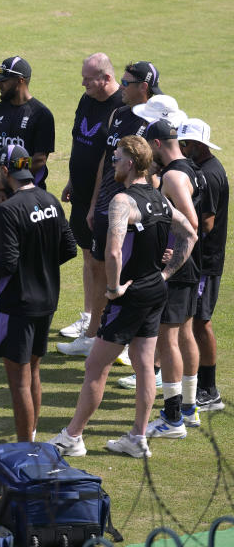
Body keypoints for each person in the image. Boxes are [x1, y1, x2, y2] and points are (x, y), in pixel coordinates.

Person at [49, 136, 196, 458]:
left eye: (116, 158)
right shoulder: (159, 200)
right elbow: (190, 232)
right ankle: (137, 437)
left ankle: (73, 436)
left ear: (130, 162)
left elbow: (113, 251)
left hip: (129, 295)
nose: (112, 163)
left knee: (95, 366)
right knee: (144, 365)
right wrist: (166, 274)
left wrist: (114, 288)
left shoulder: (122, 201)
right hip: (155, 291)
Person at [63, 62, 162, 359]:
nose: (122, 86)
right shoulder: (118, 114)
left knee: (127, 271)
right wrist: (94, 203)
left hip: (134, 210)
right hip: (105, 206)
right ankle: (94, 334)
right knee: (97, 263)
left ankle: (119, 338)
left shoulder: (155, 121)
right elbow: (106, 162)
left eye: (126, 81)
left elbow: (155, 171)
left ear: (143, 86)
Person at [0, 145, 77, 441]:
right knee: (33, 371)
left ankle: (25, 447)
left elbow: (7, 262)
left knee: (19, 380)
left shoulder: (8, 209)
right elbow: (69, 248)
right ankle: (31, 437)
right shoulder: (49, 200)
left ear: (5, 171)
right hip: (47, 300)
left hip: (18, 304)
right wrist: (40, 263)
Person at [0, 57, 55, 329]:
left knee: (22, 249)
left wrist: (5, 183)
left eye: (3, 80)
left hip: (26, 194)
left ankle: (20, 299)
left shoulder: (41, 115)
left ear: (20, 81)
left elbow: (39, 160)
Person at [145, 117, 205, 437]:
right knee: (184, 335)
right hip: (192, 266)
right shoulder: (191, 168)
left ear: (157, 145)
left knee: (168, 340)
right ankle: (189, 409)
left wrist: (169, 265)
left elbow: (190, 224)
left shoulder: (173, 176)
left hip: (179, 269)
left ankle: (172, 419)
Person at [58, 54, 123, 340]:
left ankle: (102, 324)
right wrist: (72, 179)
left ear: (106, 79)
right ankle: (88, 316)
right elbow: (78, 139)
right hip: (82, 194)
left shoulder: (122, 106)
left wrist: (96, 203)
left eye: (88, 78)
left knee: (100, 262)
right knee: (87, 256)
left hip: (104, 198)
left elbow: (108, 160)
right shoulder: (87, 99)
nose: (82, 83)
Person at [177, 119, 228, 411]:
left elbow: (206, 223)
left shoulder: (209, 175)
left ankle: (209, 390)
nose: (182, 150)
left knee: (200, 322)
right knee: (194, 321)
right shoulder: (206, 169)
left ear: (197, 145)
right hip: (204, 259)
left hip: (206, 261)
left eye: (185, 145)